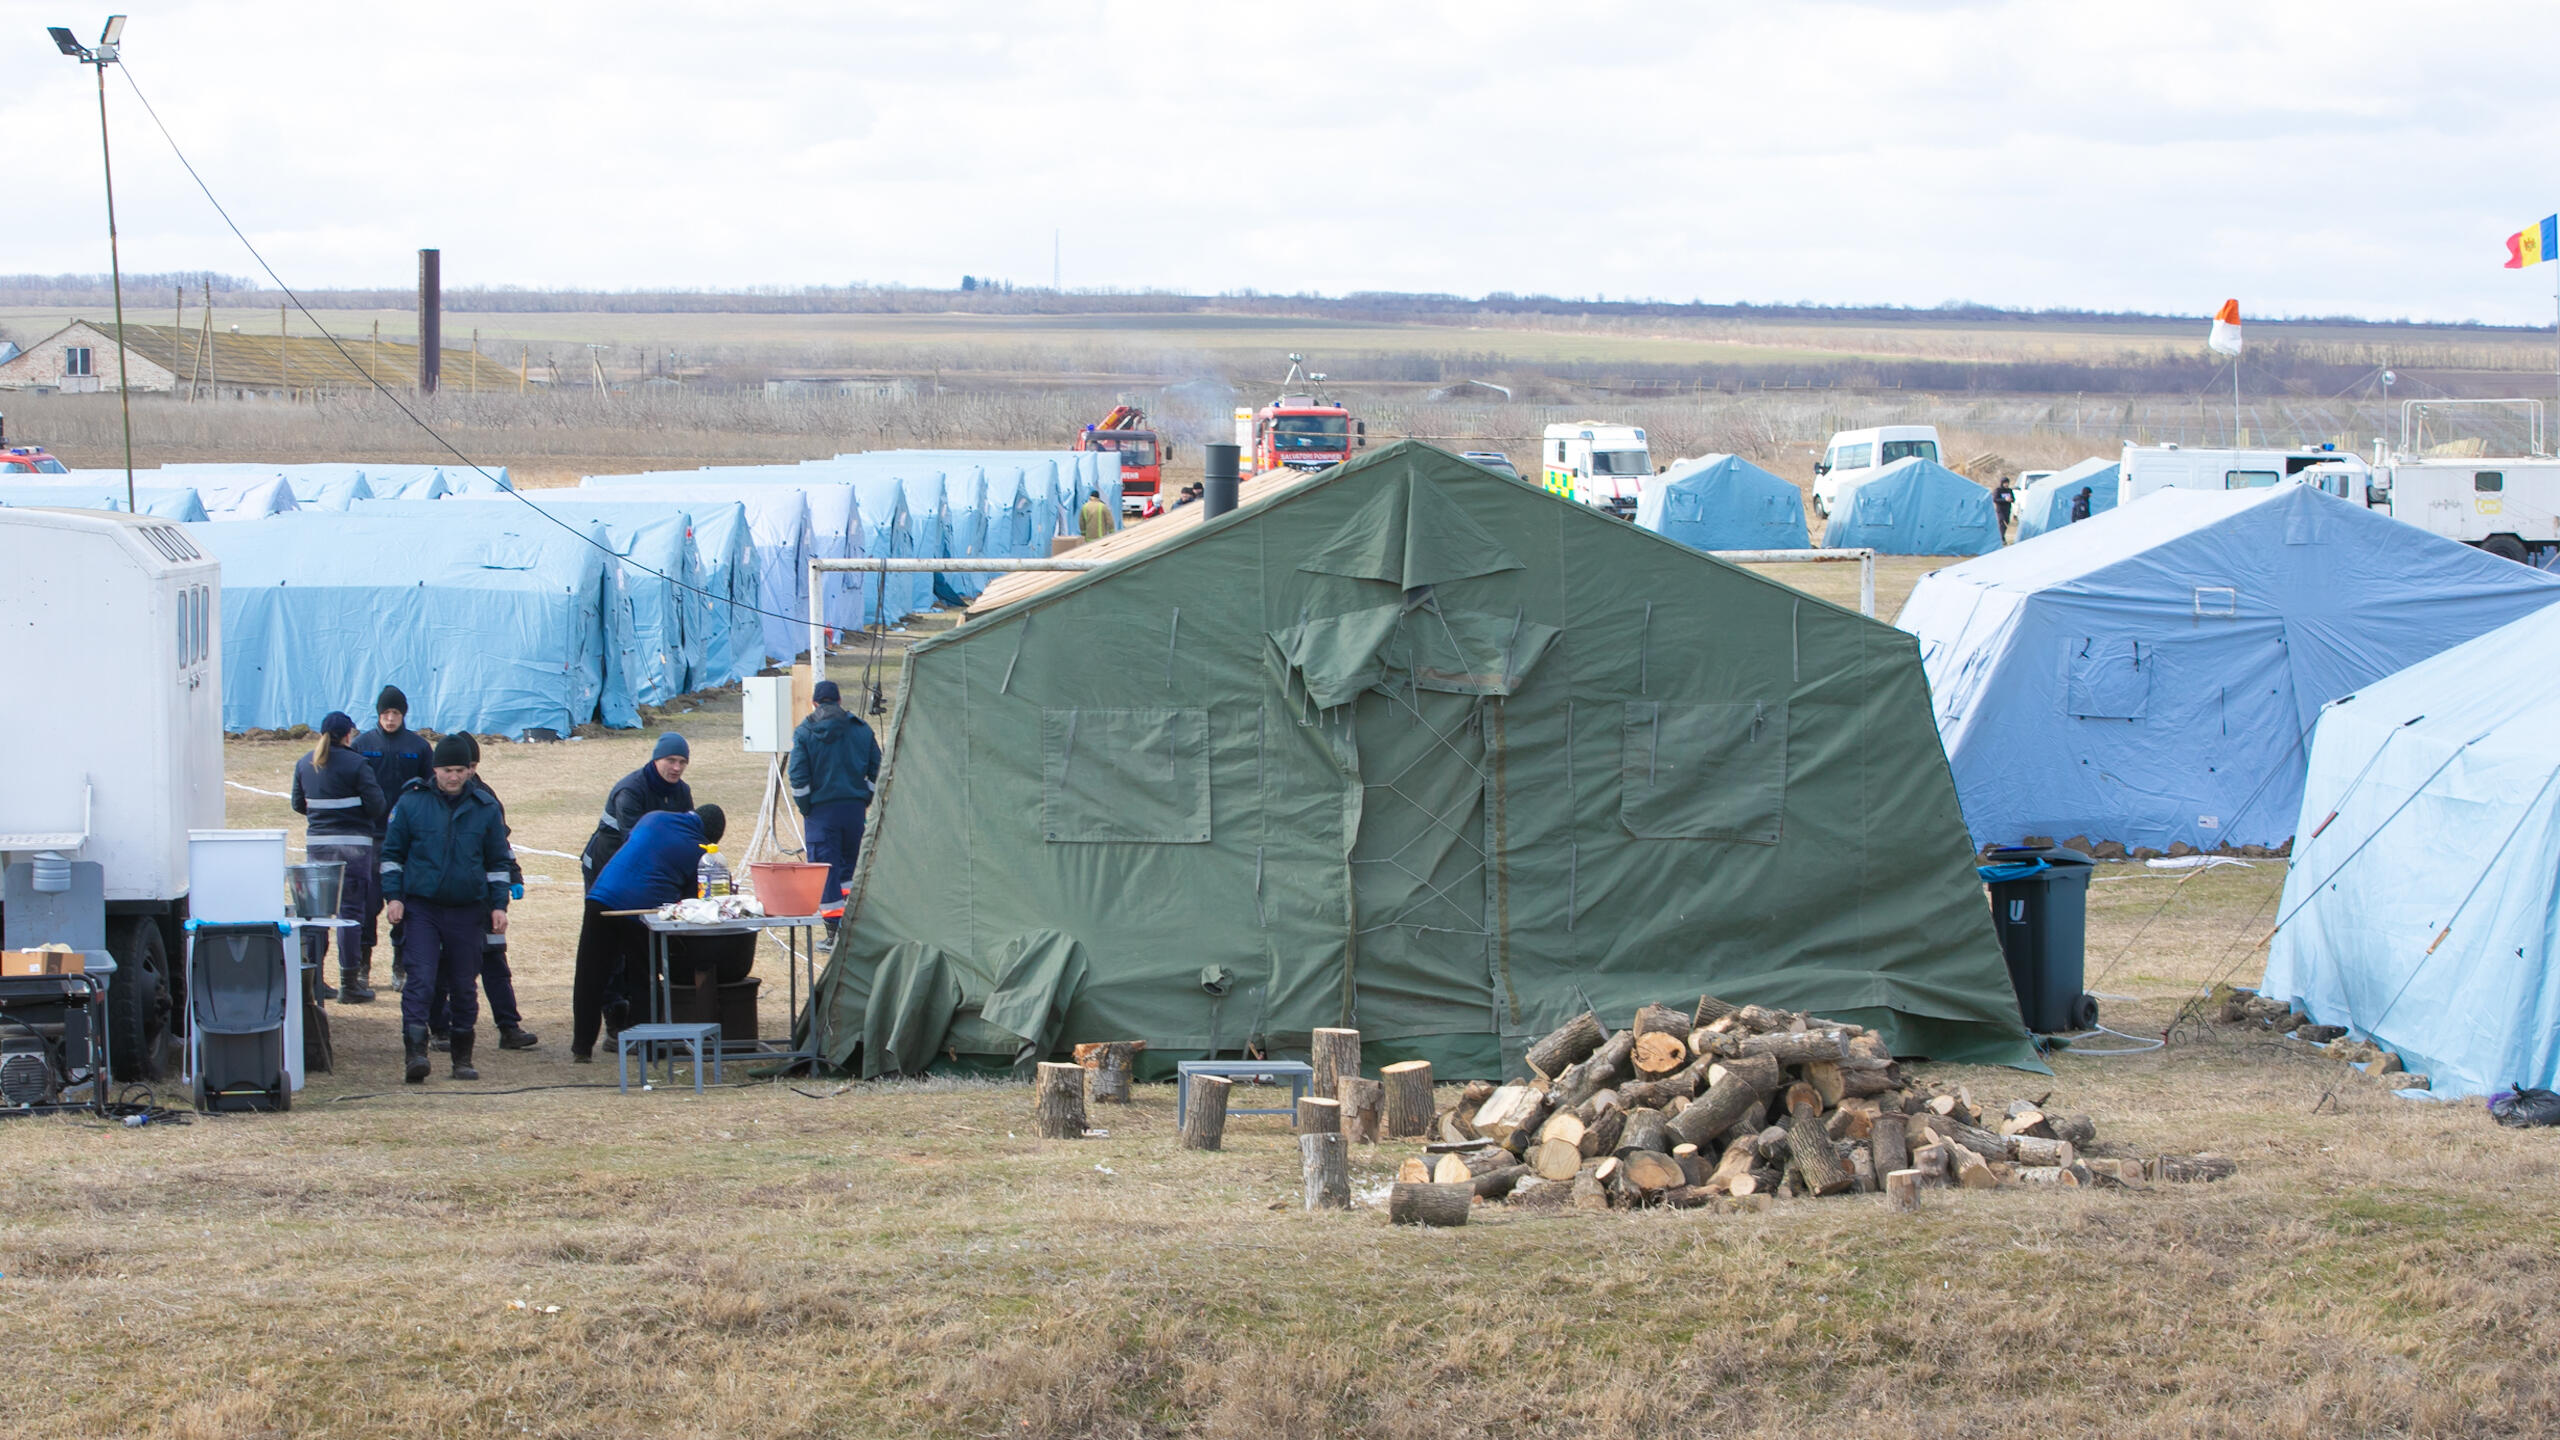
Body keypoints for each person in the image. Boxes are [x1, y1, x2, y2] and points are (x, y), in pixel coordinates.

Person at [380, 734, 513, 1084]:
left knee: (464, 985)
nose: (453, 777)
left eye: (459, 770)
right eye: (446, 770)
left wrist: (499, 905)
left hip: (468, 909)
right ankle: (416, 1054)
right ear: (434, 769)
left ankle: (462, 1059)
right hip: (421, 907)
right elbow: (392, 855)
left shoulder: (485, 808)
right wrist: (393, 897)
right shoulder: (411, 804)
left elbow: (498, 861)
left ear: (470, 770)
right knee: (421, 979)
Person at [571, 803, 727, 1062]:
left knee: (590, 974)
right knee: (644, 977)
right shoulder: (697, 850)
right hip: (639, 910)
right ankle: (649, 1046)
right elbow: (693, 901)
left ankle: (581, 1048)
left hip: (600, 896)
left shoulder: (653, 817)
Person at [425, 733, 538, 1052]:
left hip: (484, 897)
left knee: (494, 961)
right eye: (463, 766)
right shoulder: (425, 797)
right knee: (443, 966)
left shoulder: (486, 798)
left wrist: (512, 876)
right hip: (445, 899)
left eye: (472, 766)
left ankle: (509, 1026)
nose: (467, 773)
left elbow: (500, 845)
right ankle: (441, 1028)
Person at [289, 711, 386, 1003]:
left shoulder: (304, 763)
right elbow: (377, 805)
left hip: (318, 848)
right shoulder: (358, 764)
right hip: (354, 850)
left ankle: (315, 981)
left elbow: (298, 804)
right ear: (348, 735)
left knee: (316, 916)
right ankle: (350, 984)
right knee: (350, 916)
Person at [355, 686, 436, 987]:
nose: (390, 719)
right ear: (378, 714)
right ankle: (362, 966)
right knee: (367, 903)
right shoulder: (362, 745)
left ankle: (400, 966)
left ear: (404, 714)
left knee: (404, 904)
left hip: (407, 839)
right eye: (385, 713)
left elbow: (432, 789)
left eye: (395, 713)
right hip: (372, 836)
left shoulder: (419, 746)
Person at [789, 679, 881, 931]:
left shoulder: (804, 732)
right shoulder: (861, 729)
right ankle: (853, 925)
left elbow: (798, 777)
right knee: (850, 868)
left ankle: (832, 929)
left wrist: (806, 807)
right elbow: (878, 770)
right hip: (853, 811)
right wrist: (865, 798)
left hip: (820, 812)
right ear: (840, 701)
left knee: (824, 871)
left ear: (814, 703)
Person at [579, 732, 694, 885]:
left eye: (682, 762)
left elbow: (689, 833)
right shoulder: (630, 790)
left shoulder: (682, 791)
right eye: (670, 760)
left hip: (648, 863)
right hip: (607, 863)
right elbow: (634, 839)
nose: (676, 767)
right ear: (656, 759)